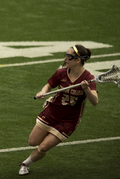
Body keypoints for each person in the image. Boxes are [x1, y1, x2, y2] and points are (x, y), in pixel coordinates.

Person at [18, 45, 98, 176]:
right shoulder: (61, 73)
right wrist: (42, 92)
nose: (65, 58)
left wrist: (86, 89)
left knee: (44, 147)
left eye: (69, 56)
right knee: (32, 142)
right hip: (51, 112)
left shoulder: (88, 78)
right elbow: (49, 85)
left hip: (68, 120)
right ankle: (35, 155)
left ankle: (25, 164)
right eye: (66, 55)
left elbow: (95, 101)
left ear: (78, 60)